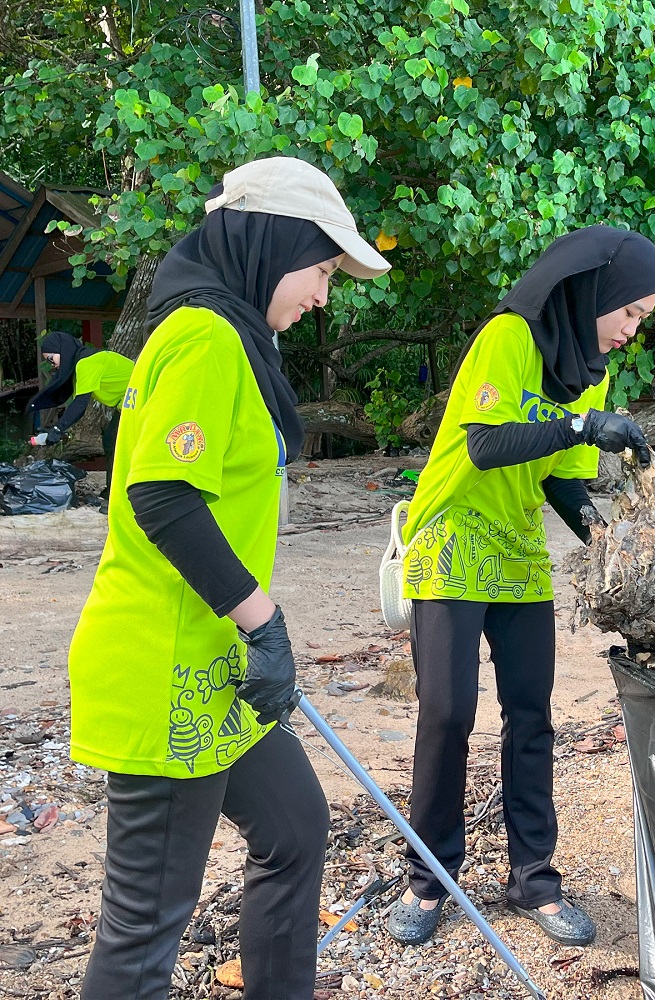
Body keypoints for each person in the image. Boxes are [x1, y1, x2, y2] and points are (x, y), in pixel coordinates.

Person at [67, 155, 391, 1000]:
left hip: (217, 670)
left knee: (293, 828)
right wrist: (264, 621)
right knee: (143, 928)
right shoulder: (207, 335)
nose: (324, 295)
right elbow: (163, 495)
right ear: (270, 245)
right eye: (321, 270)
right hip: (168, 666)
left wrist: (251, 633)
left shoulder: (225, 336)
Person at [388, 225, 655, 948]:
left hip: (515, 549)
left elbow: (562, 480)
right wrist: (580, 424)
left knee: (532, 716)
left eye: (643, 319)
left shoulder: (588, 372)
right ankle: (429, 879)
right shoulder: (509, 336)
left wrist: (615, 545)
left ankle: (534, 881)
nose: (632, 332)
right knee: (447, 715)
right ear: (596, 292)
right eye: (630, 312)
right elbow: (488, 442)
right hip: (450, 536)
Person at [26, 331, 134, 512]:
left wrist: (58, 430)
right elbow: (75, 408)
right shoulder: (82, 362)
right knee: (110, 441)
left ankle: (118, 500)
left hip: (145, 397)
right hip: (128, 402)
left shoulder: (87, 362)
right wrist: (59, 429)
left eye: (52, 359)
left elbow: (80, 404)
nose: (52, 365)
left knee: (116, 444)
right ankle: (115, 491)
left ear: (62, 350)